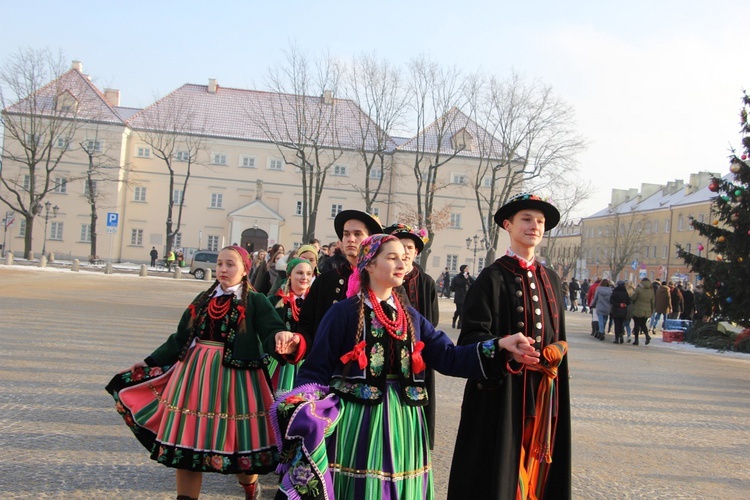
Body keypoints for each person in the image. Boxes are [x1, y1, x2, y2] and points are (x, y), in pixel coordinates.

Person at [271, 234, 536, 499]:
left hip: (405, 420)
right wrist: (304, 415)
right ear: (370, 265)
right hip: (359, 421)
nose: (402, 262)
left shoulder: (410, 317)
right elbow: (316, 369)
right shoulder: (344, 312)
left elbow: (449, 357)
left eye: (405, 258)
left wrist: (500, 346)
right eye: (392, 257)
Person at [105, 245, 298, 500]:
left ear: (244, 271)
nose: (223, 269)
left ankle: (250, 488)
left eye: (230, 264)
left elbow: (271, 329)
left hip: (238, 382)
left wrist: (282, 337)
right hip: (195, 379)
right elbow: (180, 338)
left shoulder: (256, 301)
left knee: (240, 447)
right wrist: (148, 361)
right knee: (187, 443)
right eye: (219, 264)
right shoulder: (203, 299)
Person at [448, 193, 571, 499]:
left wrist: (556, 353)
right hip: (502, 395)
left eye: (540, 221)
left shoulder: (552, 278)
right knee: (499, 471)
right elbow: (469, 339)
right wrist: (503, 346)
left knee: (539, 470)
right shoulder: (491, 277)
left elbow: (559, 334)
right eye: (527, 219)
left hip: (542, 393)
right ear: (508, 224)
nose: (534, 226)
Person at [384, 222, 439, 449]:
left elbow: (432, 321)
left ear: (416, 252)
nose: (405, 253)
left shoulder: (425, 281)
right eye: (400, 246)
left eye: (409, 247)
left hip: (418, 353)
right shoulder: (383, 279)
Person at [297, 210, 382, 345]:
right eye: (346, 234)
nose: (351, 239)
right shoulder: (325, 281)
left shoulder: (383, 282)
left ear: (370, 240)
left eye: (358, 234)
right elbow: (306, 325)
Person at [268, 258, 314, 394]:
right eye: (300, 273)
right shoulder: (275, 300)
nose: (304, 277)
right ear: (289, 275)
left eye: (309, 274)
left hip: (306, 359)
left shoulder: (315, 301)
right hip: (278, 360)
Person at [631, 278, 655, 346]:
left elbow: (633, 298)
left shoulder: (638, 289)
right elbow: (653, 302)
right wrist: (651, 310)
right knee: (643, 324)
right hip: (647, 310)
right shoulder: (651, 291)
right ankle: (647, 336)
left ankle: (636, 340)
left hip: (638, 309)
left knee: (637, 325)